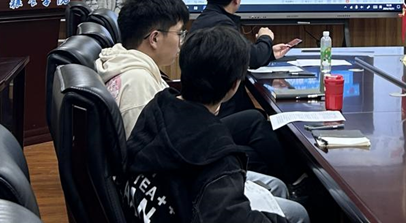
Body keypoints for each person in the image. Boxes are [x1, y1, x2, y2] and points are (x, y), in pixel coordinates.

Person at [97, 0, 293, 183]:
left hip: (180, 139)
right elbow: (149, 157)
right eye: (179, 33)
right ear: (155, 38)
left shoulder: (126, 62)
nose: (181, 42)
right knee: (252, 155)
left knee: (253, 119)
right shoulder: (136, 84)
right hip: (181, 163)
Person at [124, 26, 309, 223]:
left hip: (154, 201)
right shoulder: (217, 153)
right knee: (299, 214)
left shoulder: (157, 105)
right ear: (234, 85)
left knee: (277, 186)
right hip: (190, 204)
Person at [190, 0, 292, 117]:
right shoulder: (222, 24)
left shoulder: (205, 20)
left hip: (209, 106)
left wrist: (270, 52)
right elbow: (253, 58)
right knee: (259, 119)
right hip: (221, 110)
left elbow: (241, 54)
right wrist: (265, 38)